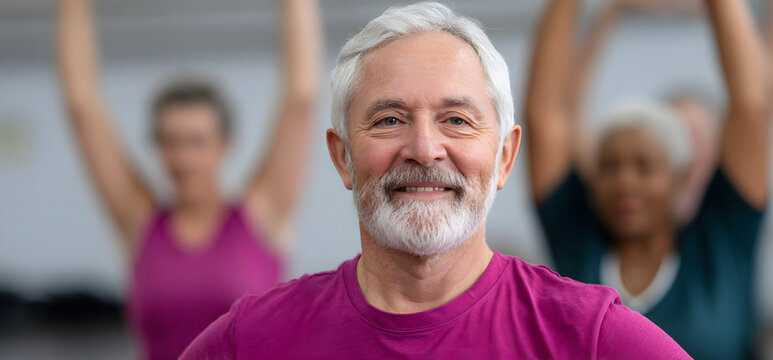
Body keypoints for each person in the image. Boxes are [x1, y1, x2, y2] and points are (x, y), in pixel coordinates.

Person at [181, 2, 690, 359]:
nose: (424, 149)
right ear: (343, 157)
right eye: (389, 120)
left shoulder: (591, 337)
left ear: (504, 157)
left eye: (456, 120)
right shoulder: (253, 340)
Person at [525, 0, 773, 359]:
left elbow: (753, 105)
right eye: (610, 167)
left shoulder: (722, 242)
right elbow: (546, 117)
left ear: (680, 175)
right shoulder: (580, 242)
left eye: (645, 167)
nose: (626, 182)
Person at [54, 0, 322, 358]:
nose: (183, 158)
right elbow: (81, 107)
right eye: (170, 142)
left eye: (197, 142)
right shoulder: (141, 220)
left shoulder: (262, 213)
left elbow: (301, 100)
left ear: (224, 144)